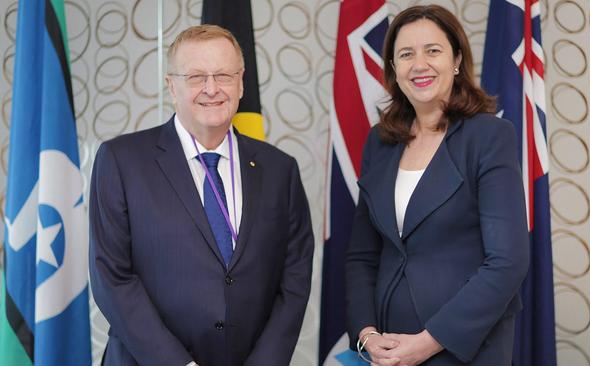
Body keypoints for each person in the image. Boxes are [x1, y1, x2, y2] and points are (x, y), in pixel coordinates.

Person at [89, 24, 314, 366]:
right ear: (172, 85)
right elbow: (112, 278)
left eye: (223, 75)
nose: (212, 89)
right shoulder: (121, 161)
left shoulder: (280, 170)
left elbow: (295, 277)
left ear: (241, 83)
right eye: (196, 77)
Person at [345, 5, 529, 366]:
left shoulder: (489, 137)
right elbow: (362, 256)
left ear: (457, 59)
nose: (419, 64)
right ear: (394, 69)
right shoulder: (379, 143)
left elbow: (507, 261)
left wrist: (429, 342)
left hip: (464, 349)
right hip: (387, 350)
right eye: (406, 54)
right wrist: (366, 334)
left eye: (433, 50)